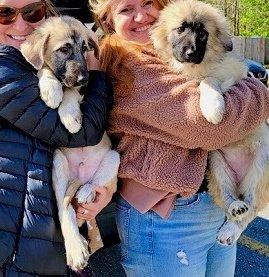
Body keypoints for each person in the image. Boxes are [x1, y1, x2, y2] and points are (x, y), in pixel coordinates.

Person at [87, 0, 269, 276]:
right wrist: (257, 92)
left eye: (148, 3)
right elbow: (207, 127)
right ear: (108, 20)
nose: (141, 15)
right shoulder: (129, 65)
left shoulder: (164, 54)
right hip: (167, 217)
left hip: (212, 206)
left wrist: (249, 88)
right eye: (126, 9)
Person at [0, 0, 113, 276]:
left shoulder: (31, 58)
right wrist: (97, 78)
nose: (20, 24)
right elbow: (80, 132)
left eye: (32, 12)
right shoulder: (4, 70)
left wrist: (104, 190)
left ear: (44, 12)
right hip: (15, 236)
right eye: (4, 13)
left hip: (41, 227)